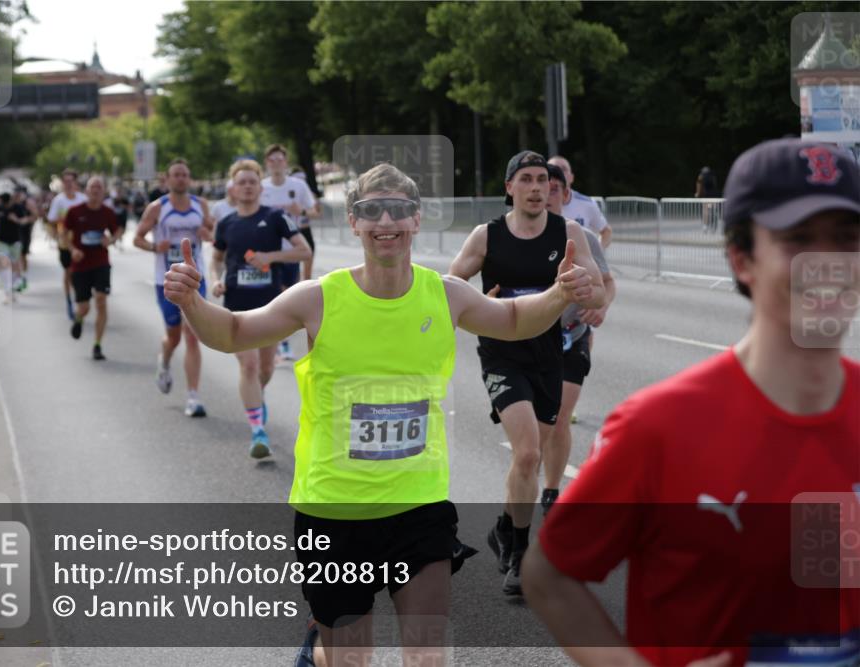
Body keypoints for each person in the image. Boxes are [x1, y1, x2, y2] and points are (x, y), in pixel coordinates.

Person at [164, 162, 596, 667]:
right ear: (353, 221)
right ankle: (320, 649)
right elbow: (235, 332)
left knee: (427, 658)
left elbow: (516, 320)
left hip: (418, 505)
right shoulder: (318, 298)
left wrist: (560, 293)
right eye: (371, 210)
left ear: (416, 220)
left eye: (397, 209)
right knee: (350, 660)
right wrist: (192, 303)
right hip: (333, 510)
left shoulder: (445, 293)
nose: (384, 220)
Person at [524, 138, 860, 666]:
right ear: (741, 258)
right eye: (798, 240)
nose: (828, 262)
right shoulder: (660, 427)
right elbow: (549, 574)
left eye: (846, 238)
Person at [448, 150, 605, 596]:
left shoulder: (568, 232)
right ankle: (519, 552)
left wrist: (577, 285)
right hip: (501, 352)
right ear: (510, 188)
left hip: (548, 353)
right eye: (527, 180)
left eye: (543, 180)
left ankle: (503, 526)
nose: (537, 187)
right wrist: (478, 302)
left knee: (532, 453)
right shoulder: (488, 235)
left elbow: (593, 287)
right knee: (528, 454)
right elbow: (450, 287)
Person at [208, 158, 311, 457]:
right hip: (237, 305)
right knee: (249, 365)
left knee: (265, 368)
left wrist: (271, 256)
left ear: (260, 186)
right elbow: (216, 257)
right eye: (242, 182)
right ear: (233, 187)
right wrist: (216, 280)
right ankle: (257, 432)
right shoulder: (226, 222)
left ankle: (257, 399)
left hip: (270, 306)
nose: (248, 187)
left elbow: (304, 251)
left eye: (253, 181)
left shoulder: (276, 217)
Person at [544, 162, 616, 512]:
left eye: (555, 187)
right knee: (535, 431)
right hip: (527, 343)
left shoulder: (583, 237)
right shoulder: (512, 235)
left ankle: (551, 491)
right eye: (543, 185)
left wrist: (600, 307)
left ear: (565, 192)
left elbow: (608, 283)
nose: (548, 193)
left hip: (572, 335)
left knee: (559, 415)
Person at [134, 158, 214, 417]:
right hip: (166, 280)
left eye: (185, 175)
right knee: (174, 336)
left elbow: (216, 235)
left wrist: (207, 233)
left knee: (192, 335)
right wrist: (153, 247)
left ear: (189, 179)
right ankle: (165, 361)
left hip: (194, 279)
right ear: (167, 179)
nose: (181, 179)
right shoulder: (157, 208)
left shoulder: (201, 205)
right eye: (176, 175)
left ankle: (193, 397)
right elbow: (137, 238)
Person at [261, 144, 320, 361]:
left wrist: (301, 211)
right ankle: (276, 342)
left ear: (285, 163)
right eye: (272, 160)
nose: (276, 164)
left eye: (280, 160)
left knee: (286, 297)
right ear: (267, 163)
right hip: (266, 252)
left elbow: (315, 211)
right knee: (272, 297)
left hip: (291, 252)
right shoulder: (260, 187)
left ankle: (281, 341)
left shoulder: (298, 185)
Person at [63, 176, 122, 360]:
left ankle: (97, 345)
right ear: (86, 191)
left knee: (101, 300)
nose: (95, 190)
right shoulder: (74, 211)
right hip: (80, 265)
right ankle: (79, 318)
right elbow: (63, 235)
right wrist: (73, 250)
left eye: (99, 187)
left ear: (103, 191)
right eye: (92, 187)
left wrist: (110, 240)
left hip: (101, 263)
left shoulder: (108, 212)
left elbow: (117, 231)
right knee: (85, 307)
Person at [47, 169, 88, 321]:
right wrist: (56, 231)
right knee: (69, 272)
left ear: (75, 183)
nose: (68, 184)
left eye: (71, 181)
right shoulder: (59, 201)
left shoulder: (83, 199)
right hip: (65, 244)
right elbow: (51, 220)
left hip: (83, 243)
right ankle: (70, 300)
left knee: (81, 273)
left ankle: (80, 298)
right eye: (66, 181)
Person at [547, 155, 612, 248]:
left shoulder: (587, 203)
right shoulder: (536, 204)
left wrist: (596, 255)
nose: (558, 172)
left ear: (571, 177)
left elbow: (606, 231)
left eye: (563, 169)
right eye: (552, 169)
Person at [0, 192, 22, 303]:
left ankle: (13, 290)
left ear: (10, 201)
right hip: (2, 240)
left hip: (15, 240)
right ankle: (7, 292)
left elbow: (23, 221)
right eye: (2, 203)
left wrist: (15, 219)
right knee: (4, 264)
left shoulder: (17, 208)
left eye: (6, 203)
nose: (4, 205)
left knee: (14, 266)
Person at [11, 187, 37, 291]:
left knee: (23, 255)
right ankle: (18, 277)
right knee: (15, 255)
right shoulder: (11, 203)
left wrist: (26, 220)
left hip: (24, 232)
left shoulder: (28, 203)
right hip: (13, 232)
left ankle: (23, 276)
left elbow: (35, 216)